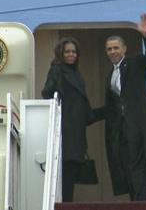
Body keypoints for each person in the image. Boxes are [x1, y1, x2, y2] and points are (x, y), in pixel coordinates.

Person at [102, 13, 146, 201]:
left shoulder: (135, 63)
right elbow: (112, 105)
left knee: (138, 168)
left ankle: (140, 203)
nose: (112, 52)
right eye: (109, 49)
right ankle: (135, 202)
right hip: (121, 130)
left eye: (116, 48)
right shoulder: (111, 73)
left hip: (138, 126)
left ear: (124, 49)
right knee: (126, 167)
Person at [41, 37, 100, 202]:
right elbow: (47, 92)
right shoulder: (57, 70)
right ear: (61, 53)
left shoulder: (76, 74)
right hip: (66, 129)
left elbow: (83, 109)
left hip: (76, 130)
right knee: (67, 170)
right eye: (67, 51)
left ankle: (66, 202)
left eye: (74, 52)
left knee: (71, 171)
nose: (71, 54)